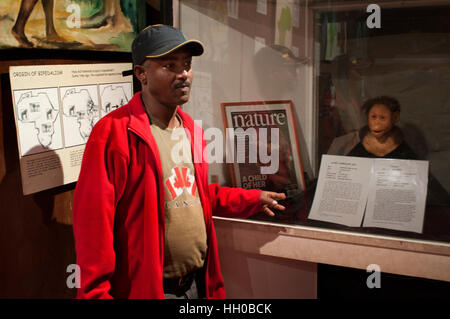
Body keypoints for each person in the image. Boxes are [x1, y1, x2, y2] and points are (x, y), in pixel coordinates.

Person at [72, 24, 286, 299]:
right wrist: (95, 294)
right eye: (169, 65)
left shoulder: (191, 129)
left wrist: (251, 199)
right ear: (141, 73)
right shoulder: (114, 133)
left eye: (186, 64)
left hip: (196, 285)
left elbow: (193, 194)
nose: (183, 74)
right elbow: (93, 223)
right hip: (150, 290)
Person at [347, 96, 417, 159]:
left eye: (382, 118)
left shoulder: (402, 149)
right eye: (373, 117)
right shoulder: (361, 147)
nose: (377, 123)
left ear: (395, 118)